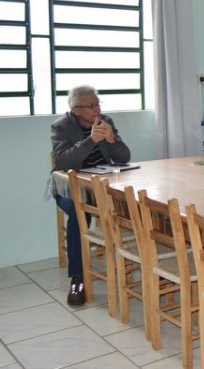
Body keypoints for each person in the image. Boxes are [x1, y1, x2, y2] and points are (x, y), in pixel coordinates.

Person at [50, 85, 131, 306]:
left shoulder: (106, 121)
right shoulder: (61, 127)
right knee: (79, 212)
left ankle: (135, 261)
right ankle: (78, 278)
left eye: (98, 103)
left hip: (102, 185)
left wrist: (112, 140)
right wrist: (90, 141)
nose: (98, 109)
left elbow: (125, 157)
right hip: (69, 187)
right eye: (91, 105)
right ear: (76, 110)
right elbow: (63, 162)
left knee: (135, 205)